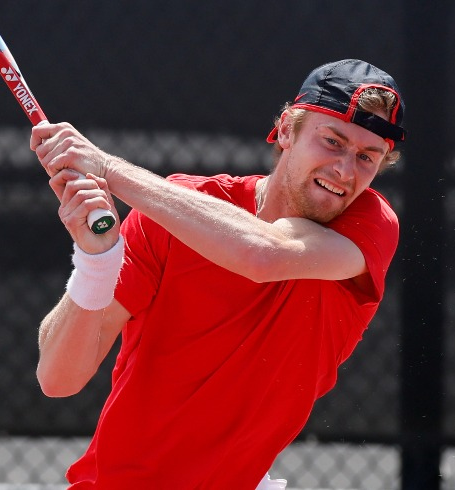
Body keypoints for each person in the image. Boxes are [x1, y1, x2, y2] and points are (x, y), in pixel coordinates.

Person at [29, 59, 406, 490]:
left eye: (366, 157)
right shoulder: (170, 215)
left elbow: (263, 253)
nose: (345, 169)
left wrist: (107, 169)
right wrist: (97, 260)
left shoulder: (370, 225)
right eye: (332, 142)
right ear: (286, 131)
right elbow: (58, 378)